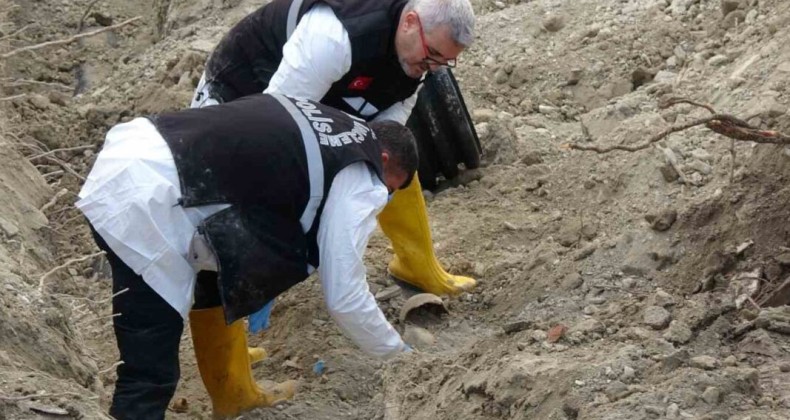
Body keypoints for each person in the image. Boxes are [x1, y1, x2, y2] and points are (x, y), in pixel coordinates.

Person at [76, 93, 418, 419]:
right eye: (390, 188)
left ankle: (233, 395)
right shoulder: (362, 173)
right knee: (149, 372)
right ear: (384, 159)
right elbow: (345, 297)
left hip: (136, 150)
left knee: (202, 291)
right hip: (151, 205)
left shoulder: (333, 123)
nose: (383, 198)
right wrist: (399, 357)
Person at [191, 0, 478, 301]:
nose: (432, 68)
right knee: (224, 210)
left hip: (327, 85)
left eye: (443, 62)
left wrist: (372, 166)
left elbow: (387, 136)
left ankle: (417, 265)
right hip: (242, 86)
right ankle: (228, 342)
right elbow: (275, 130)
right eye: (432, 55)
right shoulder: (334, 37)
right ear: (409, 22)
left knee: (394, 160)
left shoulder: (418, 55)